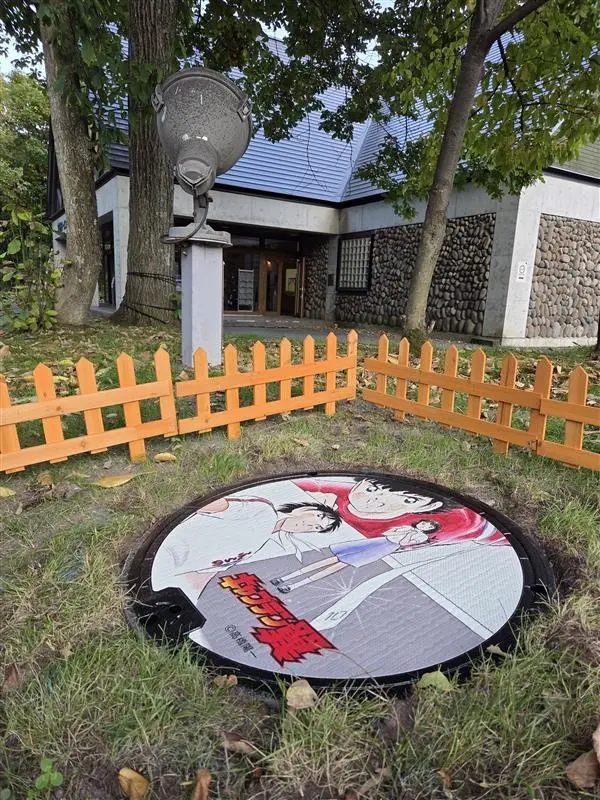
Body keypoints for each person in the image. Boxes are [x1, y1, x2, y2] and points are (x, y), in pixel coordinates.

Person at [151, 496, 342, 603]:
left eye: (318, 528)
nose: (310, 526)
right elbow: (213, 506)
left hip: (171, 567)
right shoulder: (263, 510)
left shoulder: (264, 543)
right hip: (168, 549)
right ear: (303, 509)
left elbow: (212, 570)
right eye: (317, 518)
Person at [293, 476, 505, 544]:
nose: (377, 499)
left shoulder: (457, 520)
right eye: (371, 488)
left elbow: (485, 530)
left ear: (429, 505)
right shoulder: (327, 492)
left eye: (409, 499)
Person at [271, 519, 440, 592]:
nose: (424, 525)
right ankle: (287, 577)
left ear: (429, 529)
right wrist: (403, 530)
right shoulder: (405, 526)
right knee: (334, 557)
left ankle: (295, 585)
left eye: (427, 525)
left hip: (386, 547)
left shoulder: (421, 536)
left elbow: (403, 543)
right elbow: (388, 531)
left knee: (341, 564)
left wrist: (410, 533)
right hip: (377, 541)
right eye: (424, 522)